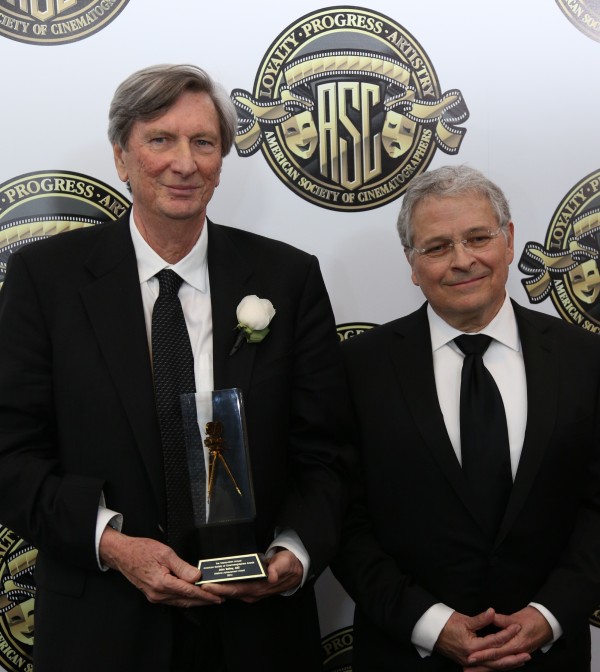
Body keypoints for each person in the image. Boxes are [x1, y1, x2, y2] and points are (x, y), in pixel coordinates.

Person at [0, 64, 352, 672]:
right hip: (102, 627)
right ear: (121, 157)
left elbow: (327, 453)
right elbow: (10, 454)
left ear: (222, 159)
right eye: (160, 139)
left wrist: (294, 552)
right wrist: (111, 544)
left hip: (257, 631)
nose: (184, 163)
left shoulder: (287, 280)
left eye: (204, 142)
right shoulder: (45, 280)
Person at [332, 164, 600, 671]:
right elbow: (341, 518)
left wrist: (547, 616)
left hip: (548, 657)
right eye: (436, 247)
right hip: (405, 655)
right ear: (412, 264)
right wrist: (429, 624)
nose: (463, 261)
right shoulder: (356, 367)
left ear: (510, 240)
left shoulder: (585, 359)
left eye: (478, 237)